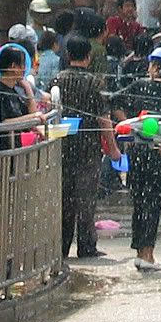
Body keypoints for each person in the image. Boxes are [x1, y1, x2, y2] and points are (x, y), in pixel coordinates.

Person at [112, 48, 161, 271]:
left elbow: (114, 102)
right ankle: (148, 255)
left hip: (137, 150)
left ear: (154, 67)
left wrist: (132, 125)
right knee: (153, 202)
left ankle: (139, 252)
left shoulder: (137, 86)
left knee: (139, 201)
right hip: (158, 150)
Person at [50, 36, 121, 258]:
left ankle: (61, 246)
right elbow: (103, 119)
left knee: (64, 197)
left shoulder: (57, 81)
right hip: (88, 149)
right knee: (86, 198)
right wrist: (112, 148)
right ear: (88, 57)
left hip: (62, 147)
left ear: (68, 55)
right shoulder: (96, 83)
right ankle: (86, 245)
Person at [0, 46, 46, 150]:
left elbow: (30, 114)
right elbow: (2, 122)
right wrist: (34, 116)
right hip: (3, 152)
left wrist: (28, 89)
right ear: (13, 67)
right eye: (23, 65)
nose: (25, 69)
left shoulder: (15, 92)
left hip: (15, 148)